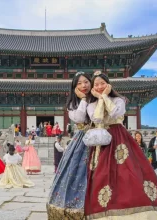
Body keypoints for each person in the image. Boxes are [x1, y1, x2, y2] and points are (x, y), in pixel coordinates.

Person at [84, 71, 157, 219]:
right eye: (96, 84)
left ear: (108, 85)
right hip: (101, 142)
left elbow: (115, 114)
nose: (99, 87)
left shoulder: (119, 100)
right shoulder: (91, 104)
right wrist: (99, 99)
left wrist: (104, 96)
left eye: (102, 84)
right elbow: (97, 119)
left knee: (128, 172)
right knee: (101, 174)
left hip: (119, 139)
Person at [47, 72, 92, 219]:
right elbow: (79, 117)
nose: (83, 85)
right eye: (79, 83)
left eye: (86, 82)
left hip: (103, 138)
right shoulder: (73, 104)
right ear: (74, 87)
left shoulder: (97, 98)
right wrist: (84, 100)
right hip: (83, 141)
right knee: (78, 173)